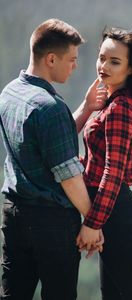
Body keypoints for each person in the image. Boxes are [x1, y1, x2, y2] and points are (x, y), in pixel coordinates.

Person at [0, 18, 106, 300]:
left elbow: (44, 143)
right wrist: (93, 222)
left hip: (13, 214)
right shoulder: (51, 107)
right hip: (51, 223)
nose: (75, 66)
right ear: (50, 59)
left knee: (14, 294)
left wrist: (85, 108)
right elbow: (69, 175)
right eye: (71, 59)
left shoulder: (9, 93)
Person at [76, 27, 132, 299]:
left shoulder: (121, 107)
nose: (103, 66)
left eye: (114, 61)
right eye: (101, 58)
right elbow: (97, 163)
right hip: (109, 212)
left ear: (131, 69)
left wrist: (93, 223)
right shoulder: (109, 103)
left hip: (115, 216)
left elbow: (112, 173)